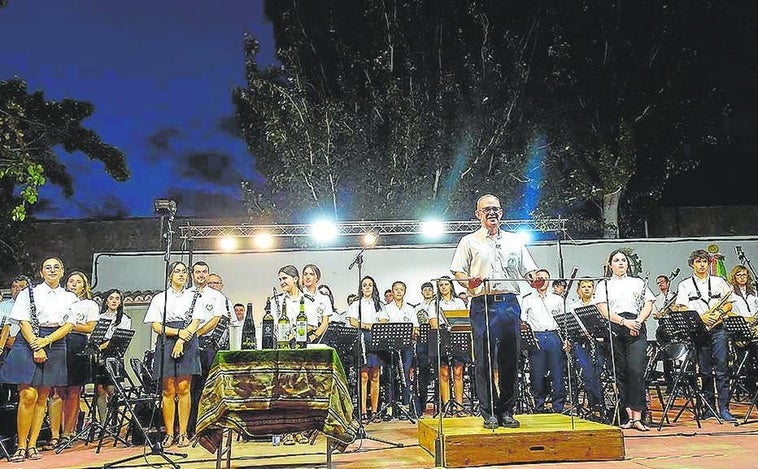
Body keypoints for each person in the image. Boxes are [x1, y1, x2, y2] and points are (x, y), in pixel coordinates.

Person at [450, 194, 538, 429]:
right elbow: (458, 273)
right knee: (484, 359)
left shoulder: (515, 241)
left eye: (495, 209)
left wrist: (534, 278)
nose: (491, 213)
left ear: (502, 213)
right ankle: (488, 411)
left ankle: (507, 410)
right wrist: (469, 281)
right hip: (483, 303)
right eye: (486, 209)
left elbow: (529, 269)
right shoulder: (469, 241)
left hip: (509, 303)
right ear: (478, 214)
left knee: (510, 358)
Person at [0, 257, 78, 462]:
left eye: (56, 267)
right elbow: (23, 321)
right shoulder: (29, 292)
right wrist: (36, 343)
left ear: (62, 272)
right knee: (27, 395)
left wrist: (46, 341)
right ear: (41, 272)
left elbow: (69, 325)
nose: (52, 270)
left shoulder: (69, 297)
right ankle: (20, 445)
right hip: (28, 339)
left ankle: (33, 445)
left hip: (54, 340)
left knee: (43, 396)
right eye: (47, 268)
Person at [143, 261, 202, 449]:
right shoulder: (161, 298)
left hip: (188, 339)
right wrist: (177, 334)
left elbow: (195, 322)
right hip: (166, 340)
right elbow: (155, 325)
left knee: (184, 388)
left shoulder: (194, 296)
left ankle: (183, 433)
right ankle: (169, 434)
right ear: (170, 275)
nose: (182, 275)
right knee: (168, 389)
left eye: (184, 272)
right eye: (177, 271)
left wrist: (183, 339)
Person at [595, 249, 655, 431]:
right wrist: (623, 322)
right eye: (616, 260)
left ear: (627, 264)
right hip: (615, 326)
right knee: (619, 372)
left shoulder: (638, 282)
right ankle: (629, 416)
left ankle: (638, 416)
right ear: (610, 265)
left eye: (623, 260)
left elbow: (649, 303)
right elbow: (603, 310)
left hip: (636, 325)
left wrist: (636, 322)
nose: (620, 263)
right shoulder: (603, 285)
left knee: (636, 370)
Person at [674, 249, 736, 423]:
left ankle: (724, 408)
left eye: (704, 262)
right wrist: (701, 317)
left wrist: (718, 314)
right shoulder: (685, 284)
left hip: (718, 328)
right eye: (698, 262)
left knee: (722, 369)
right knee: (705, 370)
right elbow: (682, 307)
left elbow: (729, 304)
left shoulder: (719, 281)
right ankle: (709, 409)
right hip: (699, 330)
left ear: (709, 264)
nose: (702, 265)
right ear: (692, 264)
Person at [46, 271, 100, 451]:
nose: (74, 284)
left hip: (77, 345)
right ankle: (54, 435)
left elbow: (90, 327)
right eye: (71, 281)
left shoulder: (89, 304)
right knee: (56, 390)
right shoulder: (59, 300)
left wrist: (68, 324)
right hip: (59, 343)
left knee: (74, 390)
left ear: (84, 286)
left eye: (78, 281)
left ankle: (68, 433)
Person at [187, 261, 228, 438]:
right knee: (188, 388)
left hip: (207, 346)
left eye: (204, 271)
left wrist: (195, 333)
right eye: (198, 272)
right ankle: (188, 428)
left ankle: (208, 425)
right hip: (187, 345)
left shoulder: (216, 296)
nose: (201, 275)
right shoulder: (185, 294)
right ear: (192, 274)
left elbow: (216, 319)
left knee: (207, 387)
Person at [520, 269, 566, 413]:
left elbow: (564, 321)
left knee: (557, 372)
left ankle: (558, 406)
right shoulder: (527, 299)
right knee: (537, 373)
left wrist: (565, 339)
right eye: (540, 277)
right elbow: (523, 320)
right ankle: (538, 405)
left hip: (553, 336)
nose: (543, 280)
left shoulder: (557, 299)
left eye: (546, 278)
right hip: (536, 337)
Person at [347, 275, 389, 422]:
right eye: (364, 285)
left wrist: (373, 326)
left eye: (370, 285)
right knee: (363, 376)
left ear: (374, 287)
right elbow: (353, 321)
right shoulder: (356, 304)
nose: (367, 287)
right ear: (361, 288)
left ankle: (375, 411)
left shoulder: (380, 304)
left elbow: (384, 320)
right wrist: (367, 325)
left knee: (375, 376)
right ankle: (363, 410)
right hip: (362, 338)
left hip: (376, 338)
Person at [429, 276, 467, 415]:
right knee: (444, 373)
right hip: (442, 336)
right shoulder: (434, 303)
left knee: (458, 372)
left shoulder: (458, 302)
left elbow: (463, 321)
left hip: (457, 336)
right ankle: (446, 406)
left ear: (451, 286)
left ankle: (459, 407)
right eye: (440, 285)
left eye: (446, 284)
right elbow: (433, 323)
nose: (443, 287)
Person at [566, 278, 604, 412]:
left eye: (589, 286)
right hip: (580, 343)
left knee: (597, 373)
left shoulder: (598, 304)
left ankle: (600, 404)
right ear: (578, 290)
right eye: (583, 286)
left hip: (598, 343)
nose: (587, 289)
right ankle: (593, 404)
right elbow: (570, 328)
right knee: (586, 374)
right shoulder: (573, 306)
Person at [94, 289, 132, 426]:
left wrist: (104, 345)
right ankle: (103, 423)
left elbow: (119, 339)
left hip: (114, 356)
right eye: (111, 298)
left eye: (117, 298)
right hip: (99, 356)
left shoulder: (125, 319)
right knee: (99, 389)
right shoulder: (99, 317)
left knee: (112, 389)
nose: (114, 301)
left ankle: (114, 423)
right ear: (106, 301)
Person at [383, 280, 418, 420]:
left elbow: (415, 328)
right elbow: (383, 323)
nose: (398, 291)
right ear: (392, 291)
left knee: (405, 376)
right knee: (390, 377)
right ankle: (390, 409)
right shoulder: (386, 308)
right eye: (396, 289)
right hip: (390, 347)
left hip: (406, 346)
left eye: (401, 289)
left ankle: (405, 406)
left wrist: (413, 332)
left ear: (405, 292)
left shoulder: (410, 309)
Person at [300, 264, 333, 342]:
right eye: (305, 274)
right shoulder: (298, 294)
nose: (307, 277)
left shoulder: (324, 298)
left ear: (317, 278)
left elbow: (325, 322)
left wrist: (313, 337)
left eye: (311, 274)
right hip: (298, 333)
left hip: (316, 335)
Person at [0, 276, 28, 355]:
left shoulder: (34, 306)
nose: (18, 289)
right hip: (3, 346)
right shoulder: (2, 306)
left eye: (21, 287)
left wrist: (17, 340)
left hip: (25, 345)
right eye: (14, 287)